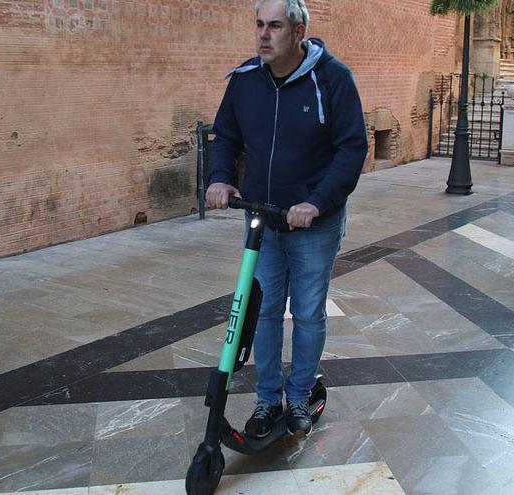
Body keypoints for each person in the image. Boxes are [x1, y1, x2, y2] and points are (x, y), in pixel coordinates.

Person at [205, 0, 367, 438]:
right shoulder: (244, 81)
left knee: (309, 311)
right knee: (266, 310)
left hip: (314, 223)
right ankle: (267, 399)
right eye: (258, 25)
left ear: (298, 33)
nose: (262, 35)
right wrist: (221, 178)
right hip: (262, 219)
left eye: (274, 26)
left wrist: (316, 201)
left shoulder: (333, 79)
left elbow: (352, 148)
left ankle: (299, 397)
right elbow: (226, 137)